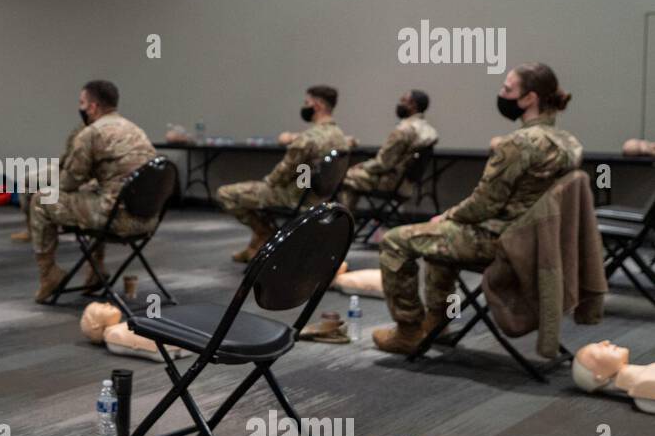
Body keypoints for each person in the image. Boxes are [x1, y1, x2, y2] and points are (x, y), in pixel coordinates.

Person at [373, 63, 581, 354]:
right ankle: (437, 322)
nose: (501, 94)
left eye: (507, 89)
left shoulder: (518, 144)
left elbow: (484, 205)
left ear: (529, 98)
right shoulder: (569, 143)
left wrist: (446, 215)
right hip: (538, 242)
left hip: (501, 240)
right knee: (438, 241)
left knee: (395, 241)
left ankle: (408, 331)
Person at [30, 80, 156, 302]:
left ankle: (49, 274)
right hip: (147, 218)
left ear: (93, 107)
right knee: (94, 194)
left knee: (41, 200)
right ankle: (95, 269)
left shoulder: (90, 133)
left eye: (82, 103)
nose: (81, 108)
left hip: (117, 219)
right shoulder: (136, 131)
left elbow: (69, 182)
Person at [216, 85, 349, 262]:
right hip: (320, 197)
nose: (305, 106)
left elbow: (280, 174)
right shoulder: (341, 137)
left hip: (294, 197)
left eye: (307, 102)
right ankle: (255, 246)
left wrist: (267, 182)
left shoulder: (307, 138)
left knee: (225, 193)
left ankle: (264, 233)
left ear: (317, 106)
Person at [340, 89, 438, 212]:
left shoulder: (403, 130)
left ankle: (343, 221)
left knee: (346, 176)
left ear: (412, 104)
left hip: (392, 184)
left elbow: (382, 164)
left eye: (403, 100)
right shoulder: (429, 130)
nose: (399, 103)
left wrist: (362, 166)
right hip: (407, 185)